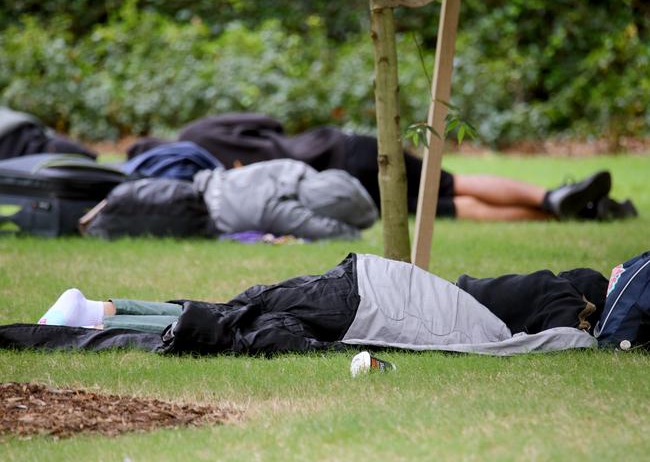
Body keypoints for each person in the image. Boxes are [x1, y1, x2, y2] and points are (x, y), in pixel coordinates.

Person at [27, 252, 618, 356]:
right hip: (366, 298)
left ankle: (97, 310)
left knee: (236, 312)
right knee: (233, 321)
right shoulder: (559, 300)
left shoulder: (547, 288)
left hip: (363, 285)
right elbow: (569, 340)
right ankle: (91, 313)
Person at [129, 113, 638, 221]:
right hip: (342, 149)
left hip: (331, 189)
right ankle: (551, 198)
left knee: (446, 207)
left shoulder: (196, 172)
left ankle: (581, 213)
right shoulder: (197, 132)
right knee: (451, 180)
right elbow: (268, 119)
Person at [83, 158, 379, 241]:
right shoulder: (283, 210)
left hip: (198, 183)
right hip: (199, 214)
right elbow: (330, 231)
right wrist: (352, 231)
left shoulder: (294, 168)